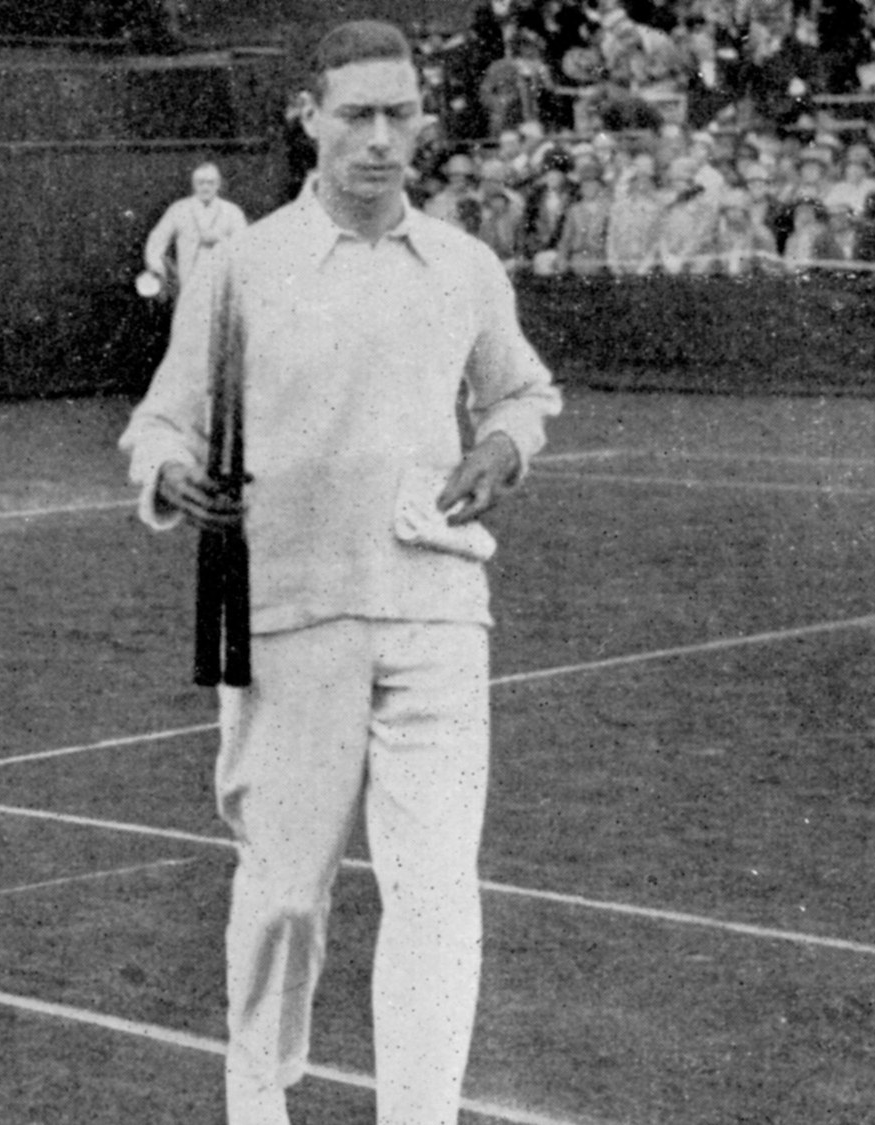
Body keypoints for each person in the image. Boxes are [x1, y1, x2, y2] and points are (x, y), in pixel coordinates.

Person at [117, 21, 561, 1125]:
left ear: (421, 121)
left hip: (437, 608)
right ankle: (257, 1099)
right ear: (307, 119)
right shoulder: (238, 267)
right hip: (291, 614)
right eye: (353, 115)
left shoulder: (463, 265)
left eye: (396, 115)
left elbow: (521, 392)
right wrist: (173, 473)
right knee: (280, 897)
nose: (376, 140)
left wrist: (503, 447)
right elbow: (162, 421)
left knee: (435, 891)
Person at [143, 162, 249, 304]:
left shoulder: (232, 212)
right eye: (200, 183)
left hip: (222, 286)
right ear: (194, 184)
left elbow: (245, 245)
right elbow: (157, 240)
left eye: (210, 183)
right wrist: (158, 270)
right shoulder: (179, 209)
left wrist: (220, 239)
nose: (205, 187)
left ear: (218, 184)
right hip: (187, 283)